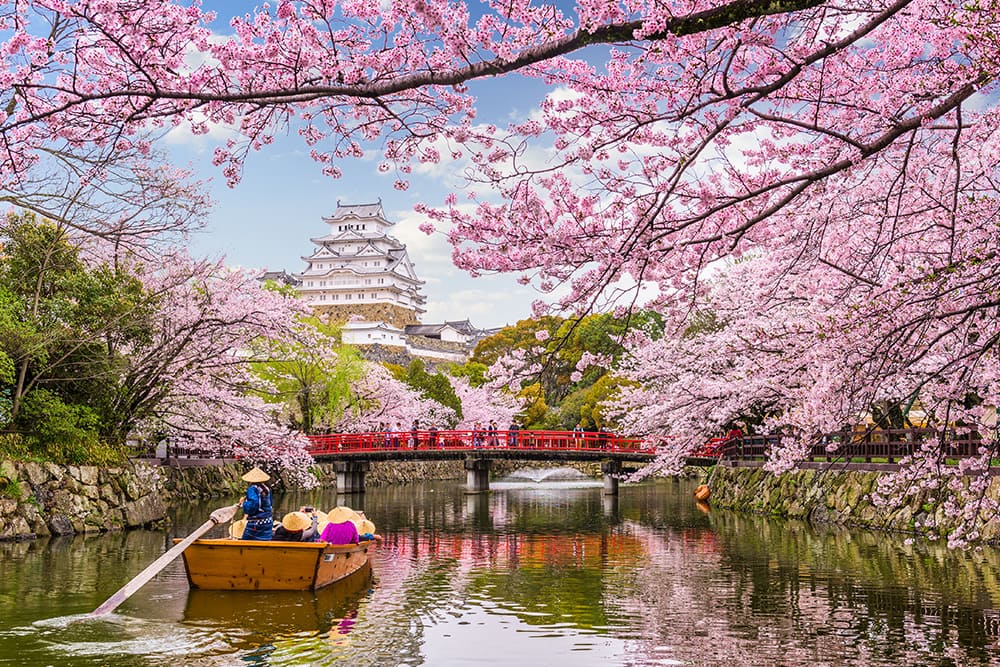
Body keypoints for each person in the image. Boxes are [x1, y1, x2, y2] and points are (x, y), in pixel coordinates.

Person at [239, 466, 273, 540]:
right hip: (268, 521)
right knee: (265, 540)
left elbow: (253, 504)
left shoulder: (252, 489)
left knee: (246, 540)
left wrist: (243, 503)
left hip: (256, 523)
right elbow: (270, 504)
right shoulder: (266, 488)